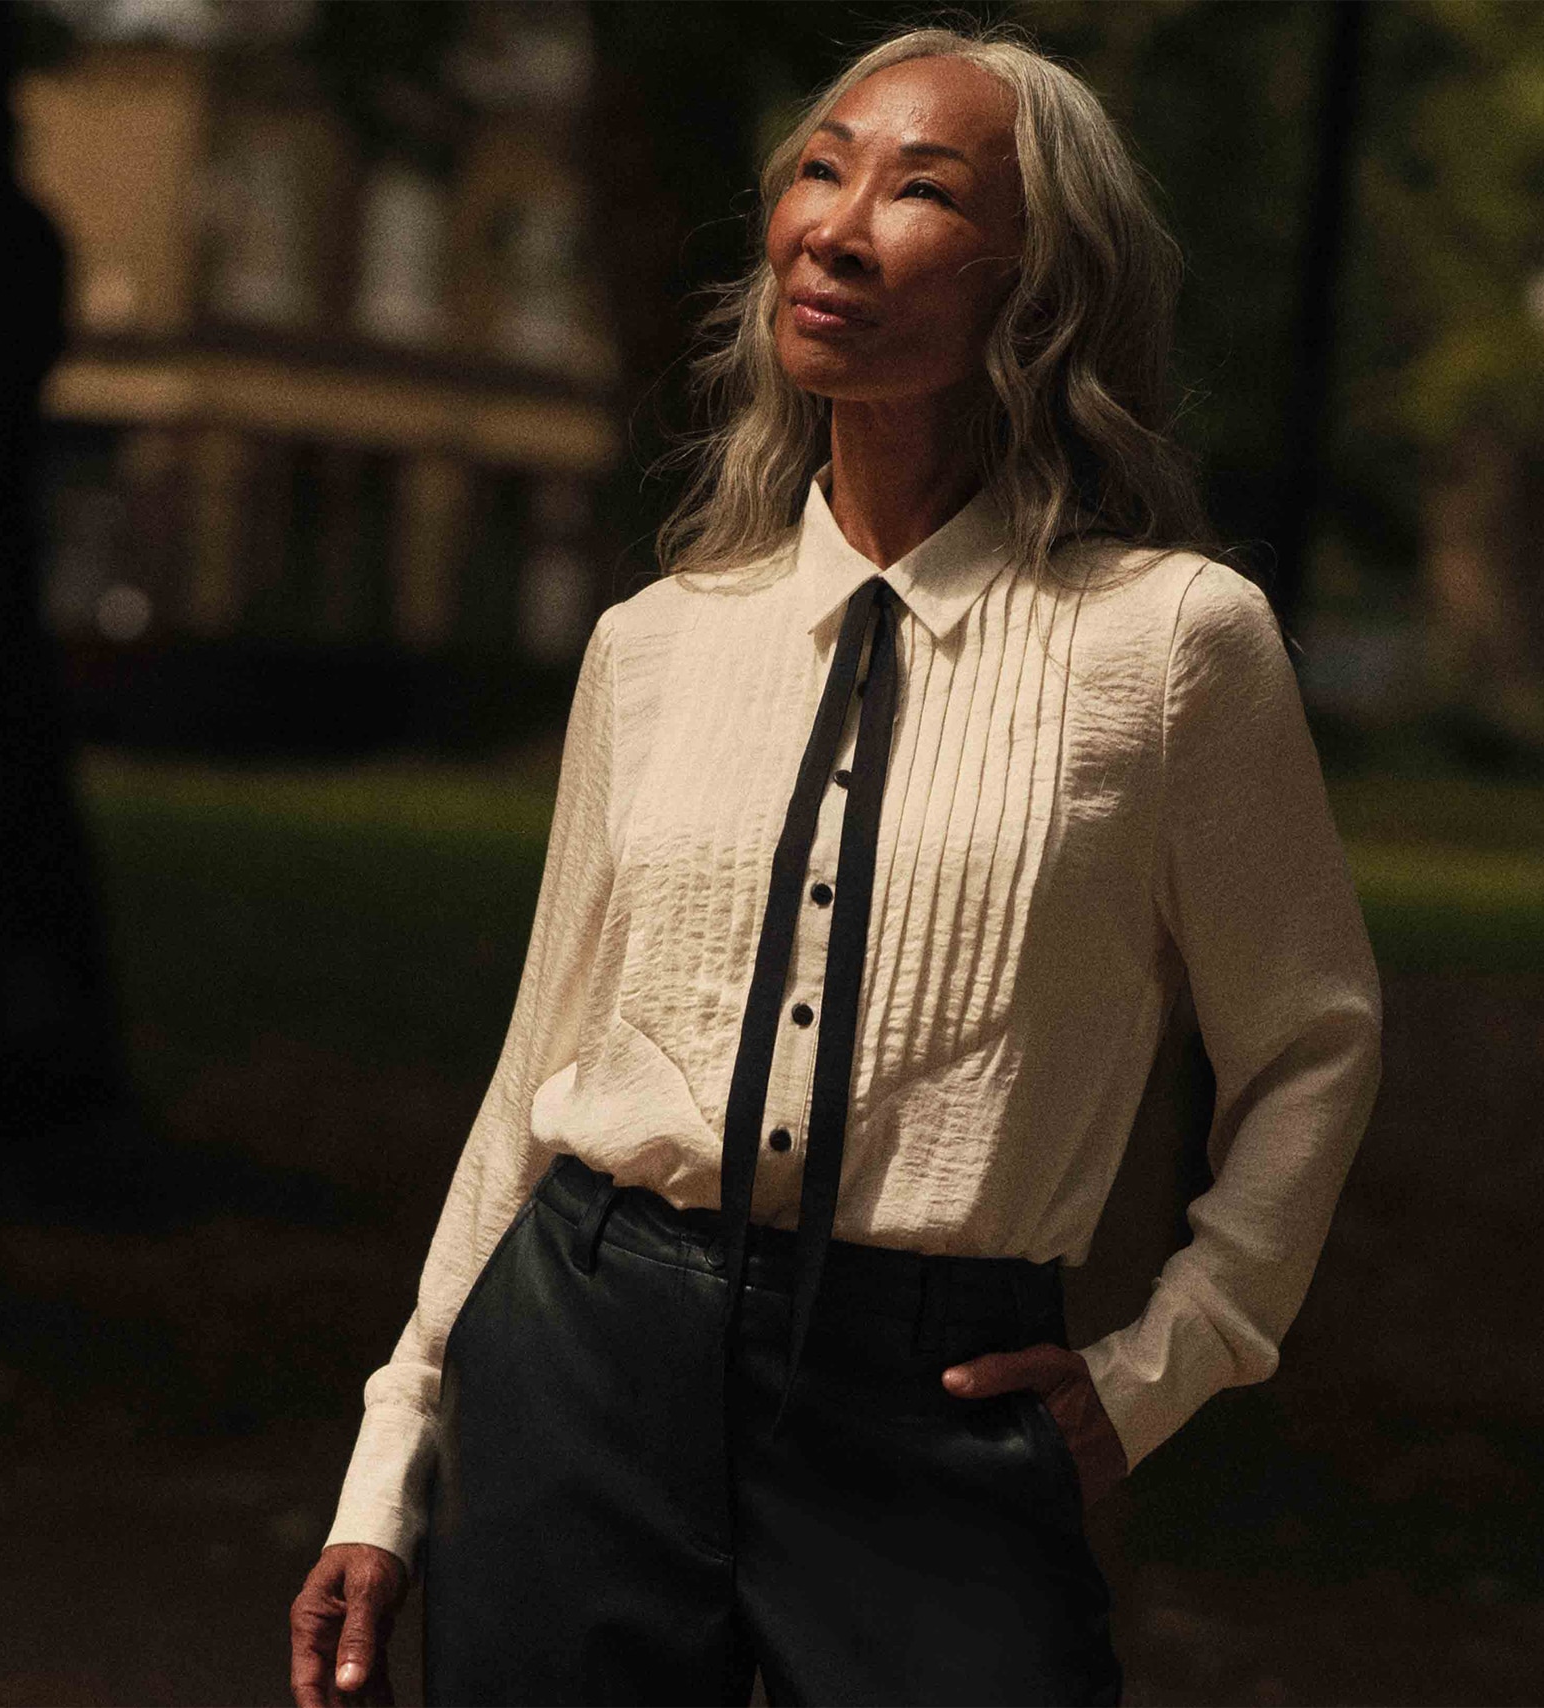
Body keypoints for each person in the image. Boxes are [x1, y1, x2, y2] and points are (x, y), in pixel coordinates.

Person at [291, 23, 1382, 1708]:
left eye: (923, 190)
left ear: (1043, 281)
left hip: (936, 1401)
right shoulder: (656, 645)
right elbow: (537, 1070)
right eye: (823, 166)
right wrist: (396, 1449)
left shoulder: (1171, 646)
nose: (840, 224)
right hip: (585, 1355)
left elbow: (1312, 1040)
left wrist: (1175, 1358)